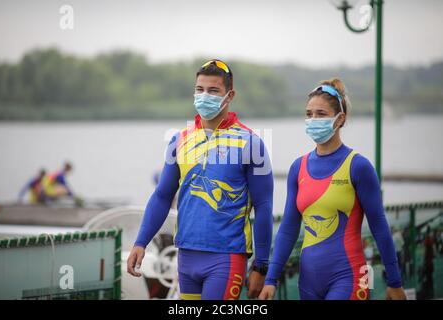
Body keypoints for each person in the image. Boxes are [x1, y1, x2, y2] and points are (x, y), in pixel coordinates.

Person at [127, 59, 274, 300]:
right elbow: (162, 196)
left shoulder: (251, 143)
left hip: (227, 257)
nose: (204, 96)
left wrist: (261, 266)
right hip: (185, 256)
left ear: (229, 95)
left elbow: (264, 207)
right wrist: (140, 241)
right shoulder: (179, 140)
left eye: (213, 90)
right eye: (199, 90)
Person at [259, 78, 407, 300]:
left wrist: (394, 281)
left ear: (340, 119)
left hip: (351, 276)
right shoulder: (298, 168)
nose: (313, 120)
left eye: (321, 114)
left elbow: (379, 226)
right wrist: (271, 279)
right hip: (308, 281)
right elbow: (288, 228)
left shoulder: (358, 166)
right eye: (309, 114)